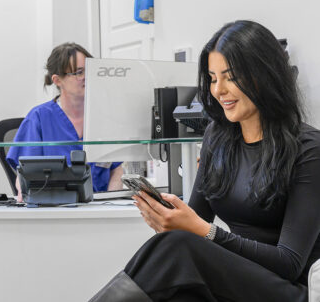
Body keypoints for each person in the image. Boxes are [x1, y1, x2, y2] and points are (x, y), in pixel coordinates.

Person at [89, 20, 320, 302]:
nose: (218, 90)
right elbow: (196, 219)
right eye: (212, 78)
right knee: (175, 270)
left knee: (178, 246)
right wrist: (171, 220)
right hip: (234, 278)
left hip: (284, 289)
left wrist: (201, 231)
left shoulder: (308, 148)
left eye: (230, 77)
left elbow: (289, 263)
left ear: (264, 75)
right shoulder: (218, 137)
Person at [7, 43, 123, 201]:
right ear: (57, 80)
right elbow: (24, 176)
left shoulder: (104, 117)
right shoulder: (39, 118)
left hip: (99, 208)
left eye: (90, 71)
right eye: (79, 72)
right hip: (53, 209)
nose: (86, 77)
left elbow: (116, 170)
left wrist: (111, 205)